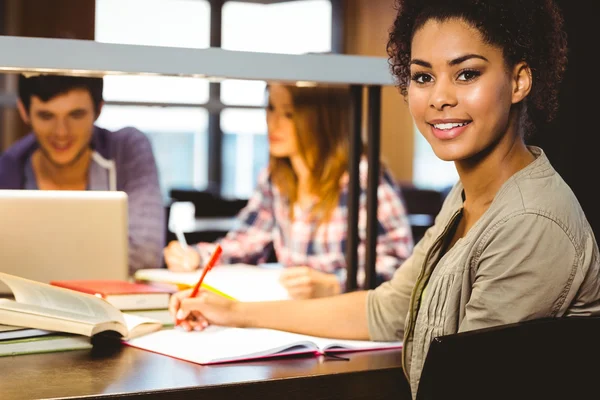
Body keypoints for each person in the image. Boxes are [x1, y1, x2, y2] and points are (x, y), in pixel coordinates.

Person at [169, 0, 600, 396]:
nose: (440, 98)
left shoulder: (530, 221)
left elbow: (464, 385)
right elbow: (387, 309)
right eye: (423, 77)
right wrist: (234, 313)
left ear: (520, 80)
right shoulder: (470, 197)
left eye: (467, 73)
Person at [164, 83, 414, 299]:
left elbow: (400, 267)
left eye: (289, 114)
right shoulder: (277, 177)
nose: (273, 123)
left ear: (324, 118)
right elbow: (246, 240)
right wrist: (197, 256)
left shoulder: (364, 177)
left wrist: (334, 284)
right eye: (271, 108)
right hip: (294, 313)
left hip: (346, 318)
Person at [0, 74, 165, 273]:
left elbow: (146, 255)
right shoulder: (10, 166)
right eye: (46, 116)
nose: (61, 132)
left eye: (76, 115)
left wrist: (32, 261)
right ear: (24, 112)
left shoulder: (126, 150)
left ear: (98, 110)